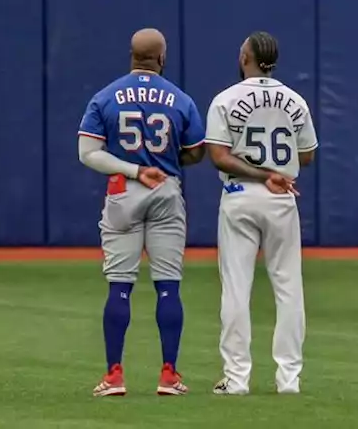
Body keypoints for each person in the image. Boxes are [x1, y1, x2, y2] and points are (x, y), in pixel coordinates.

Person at [77, 28, 207, 397]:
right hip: (164, 186)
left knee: (120, 286)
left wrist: (133, 169)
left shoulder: (105, 97)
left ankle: (114, 375)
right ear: (162, 58)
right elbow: (197, 151)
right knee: (168, 286)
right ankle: (169, 374)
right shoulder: (179, 98)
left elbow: (88, 154)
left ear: (132, 56)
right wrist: (165, 162)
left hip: (123, 189)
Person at [205, 32, 318, 396]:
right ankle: (289, 380)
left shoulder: (225, 99)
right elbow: (307, 155)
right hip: (282, 198)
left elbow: (219, 156)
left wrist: (258, 172)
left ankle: (237, 380)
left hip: (240, 192)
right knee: (289, 288)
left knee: (237, 288)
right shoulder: (295, 100)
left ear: (244, 57)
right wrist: (275, 170)